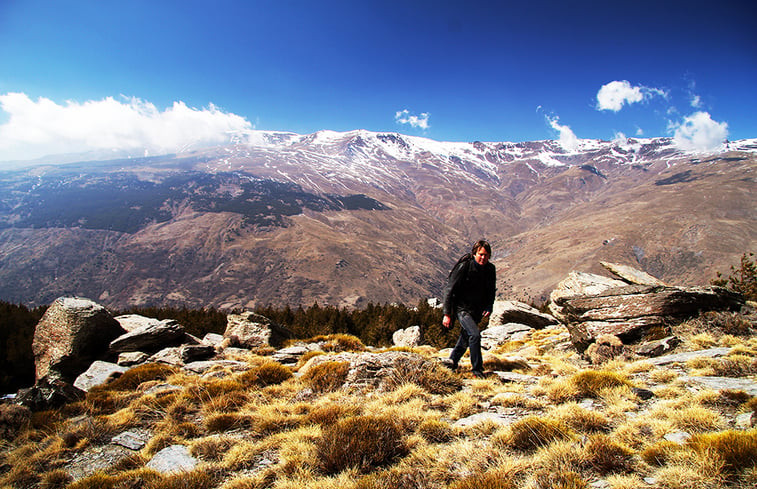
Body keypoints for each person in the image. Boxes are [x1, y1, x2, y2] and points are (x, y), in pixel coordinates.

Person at [442, 240, 496, 378]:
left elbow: (491, 291)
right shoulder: (465, 266)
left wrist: (489, 306)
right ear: (474, 253)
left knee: (466, 337)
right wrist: (447, 313)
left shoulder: (490, 269)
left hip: (477, 309)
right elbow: (450, 289)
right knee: (475, 335)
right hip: (462, 308)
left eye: (486, 255)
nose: (483, 258)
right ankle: (477, 370)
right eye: (480, 254)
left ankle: (451, 362)